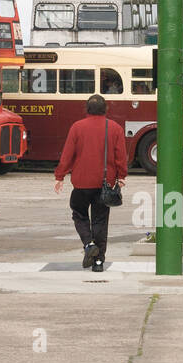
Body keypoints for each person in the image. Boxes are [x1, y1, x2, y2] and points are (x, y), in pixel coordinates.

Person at [53, 94, 129, 272]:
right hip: (105, 182)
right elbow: (120, 156)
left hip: (81, 182)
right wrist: (121, 176)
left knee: (79, 213)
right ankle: (98, 262)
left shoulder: (77, 127)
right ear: (106, 109)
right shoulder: (115, 128)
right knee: (100, 221)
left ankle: (88, 243)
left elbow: (67, 155)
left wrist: (60, 176)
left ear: (87, 109)